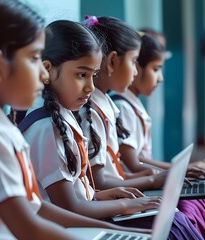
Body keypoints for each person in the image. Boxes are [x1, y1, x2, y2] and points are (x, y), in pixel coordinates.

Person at [0, 1, 148, 239]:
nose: (44, 73)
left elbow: (36, 207)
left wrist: (112, 230)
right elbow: (28, 228)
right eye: (34, 59)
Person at [21, 20, 162, 222]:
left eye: (93, 75)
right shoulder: (46, 127)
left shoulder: (64, 114)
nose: (90, 86)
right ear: (48, 70)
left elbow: (74, 194)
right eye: (81, 75)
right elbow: (69, 208)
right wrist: (123, 206)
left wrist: (97, 196)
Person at [80, 15, 203, 240]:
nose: (135, 72)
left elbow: (114, 170)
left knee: (182, 211)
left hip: (113, 200)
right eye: (133, 62)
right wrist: (151, 180)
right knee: (176, 221)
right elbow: (99, 183)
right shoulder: (91, 111)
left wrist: (150, 178)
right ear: (114, 61)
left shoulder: (104, 105)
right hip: (104, 209)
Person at [111, 31, 205, 239]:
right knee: (186, 210)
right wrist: (177, 172)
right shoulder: (121, 106)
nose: (160, 79)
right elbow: (134, 163)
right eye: (156, 70)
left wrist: (181, 171)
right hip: (131, 187)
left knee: (203, 197)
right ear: (137, 67)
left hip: (137, 183)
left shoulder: (131, 104)